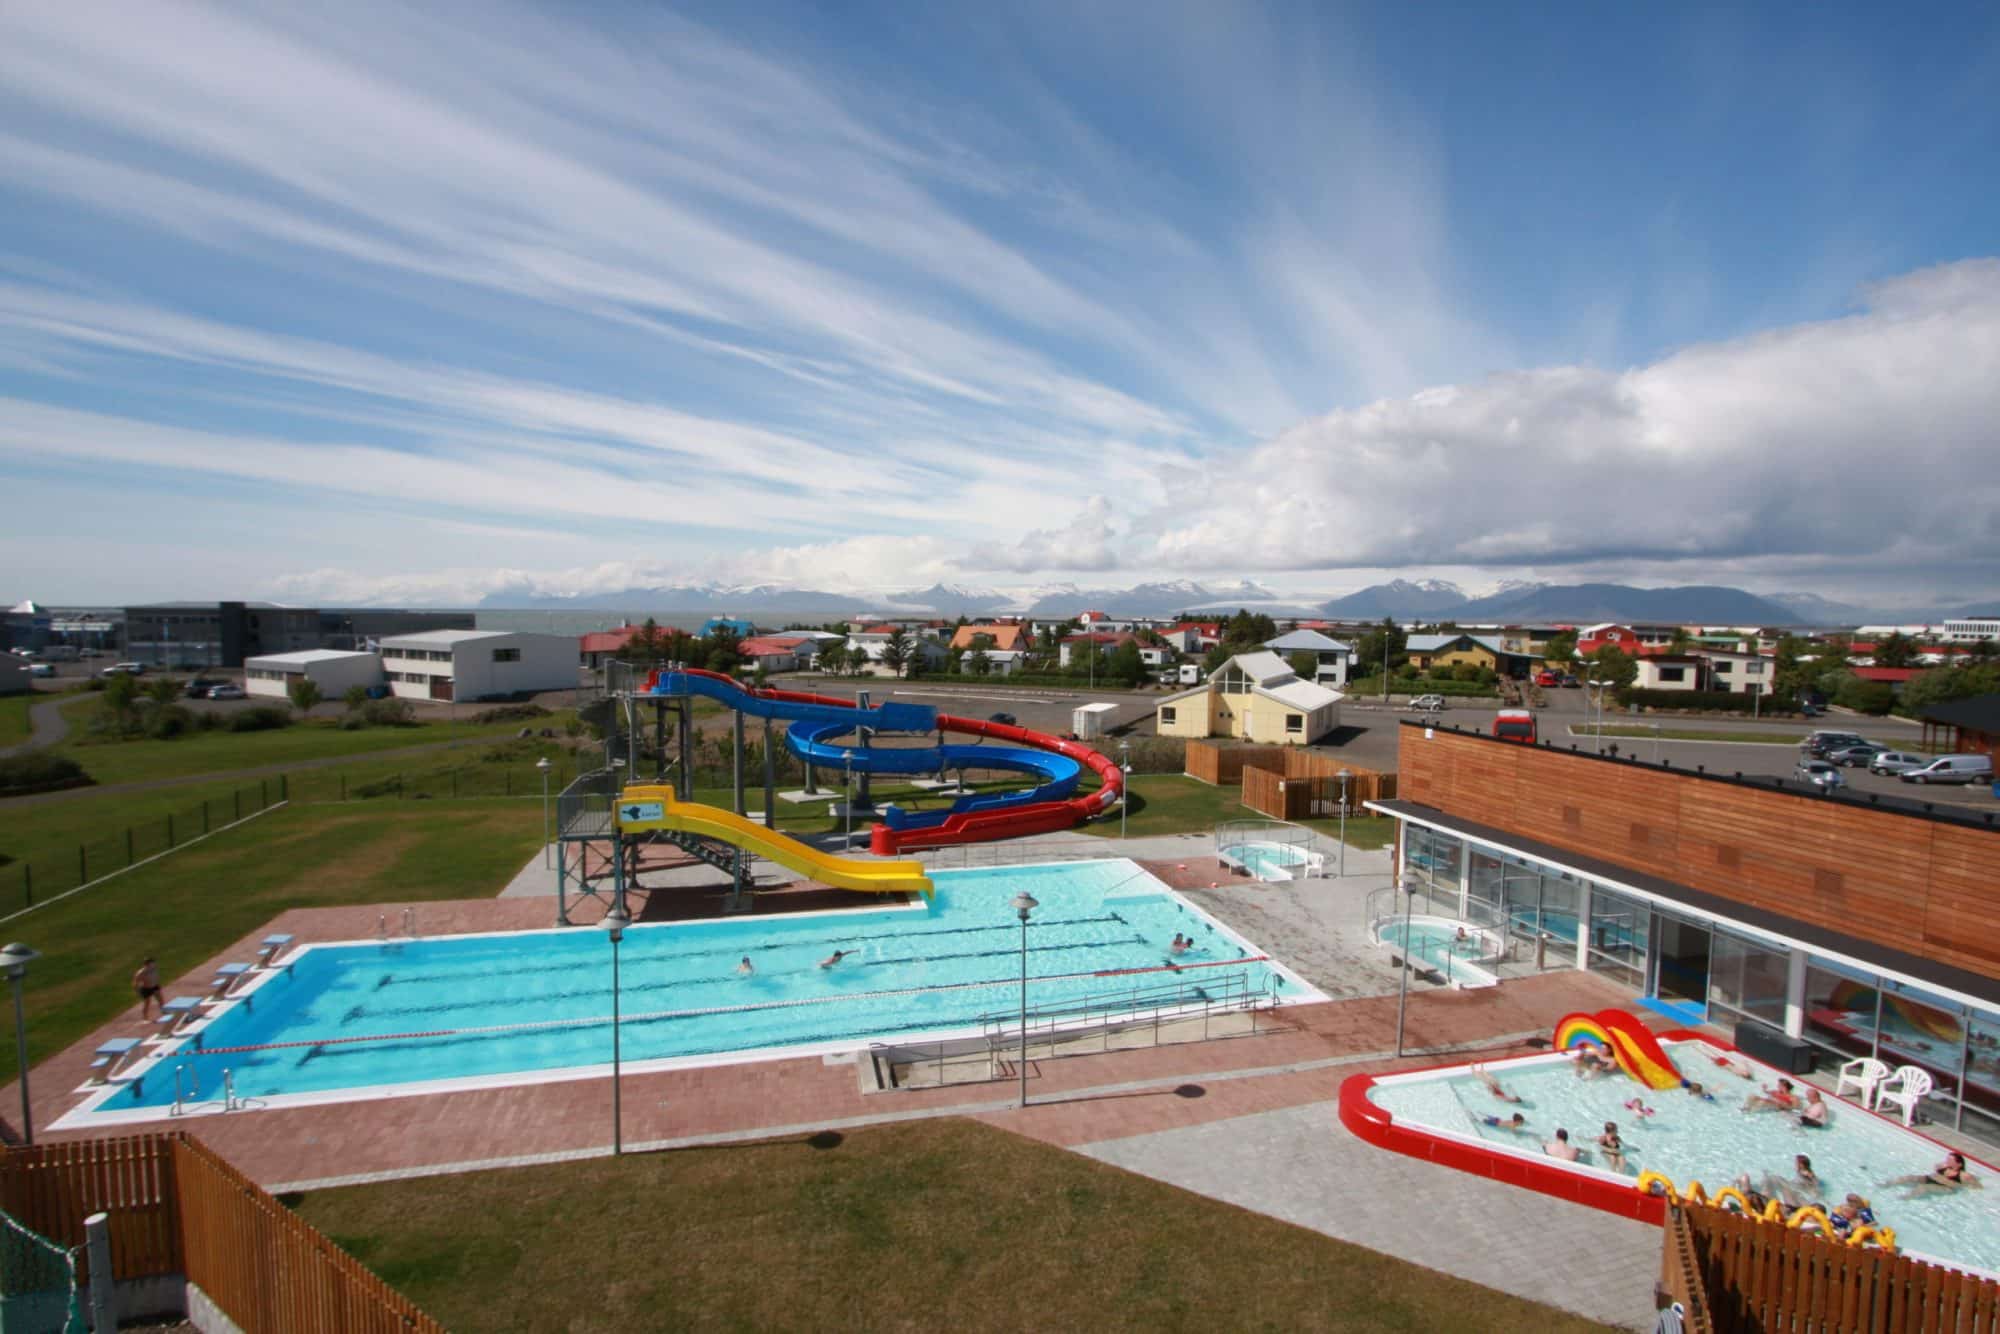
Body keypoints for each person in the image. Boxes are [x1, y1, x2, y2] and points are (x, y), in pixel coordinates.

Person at [1886, 1151, 1981, 1199]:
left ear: (1959, 1164)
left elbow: (1977, 1187)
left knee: (1923, 1188)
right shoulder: (1944, 1166)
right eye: (1947, 1159)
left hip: (1945, 1187)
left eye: (1950, 1160)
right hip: (1930, 1178)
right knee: (1909, 1177)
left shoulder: (1964, 1175)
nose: (1947, 1161)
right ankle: (1886, 1185)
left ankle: (1905, 1198)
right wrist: (1943, 1165)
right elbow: (1935, 1167)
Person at [132, 957, 162, 1021]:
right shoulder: (140, 973)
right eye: (152, 963)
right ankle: (145, 1018)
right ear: (147, 964)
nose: (154, 964)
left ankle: (164, 1013)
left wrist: (157, 983)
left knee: (161, 1000)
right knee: (147, 1003)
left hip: (155, 987)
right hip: (146, 989)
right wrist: (136, 991)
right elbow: (135, 982)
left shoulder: (154, 969)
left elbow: (156, 976)